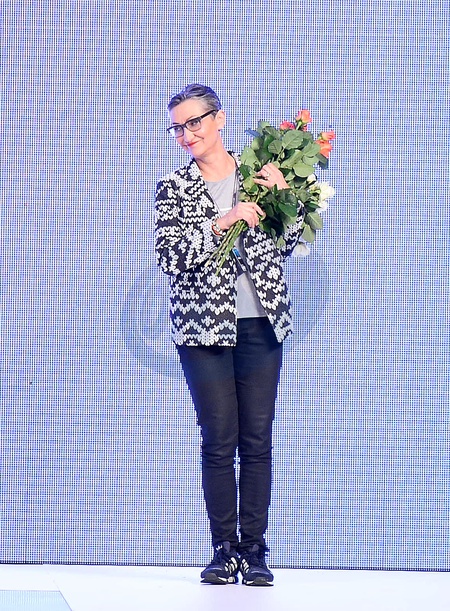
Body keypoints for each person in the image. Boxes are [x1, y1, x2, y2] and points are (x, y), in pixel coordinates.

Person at [154, 84, 305, 586]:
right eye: (178, 128)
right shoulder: (173, 188)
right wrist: (223, 222)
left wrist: (285, 197)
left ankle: (255, 550)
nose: (186, 134)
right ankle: (224, 551)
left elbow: (287, 246)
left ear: (219, 119)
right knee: (219, 441)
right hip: (202, 329)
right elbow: (170, 257)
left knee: (257, 440)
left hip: (260, 323)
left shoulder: (257, 173)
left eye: (194, 122)